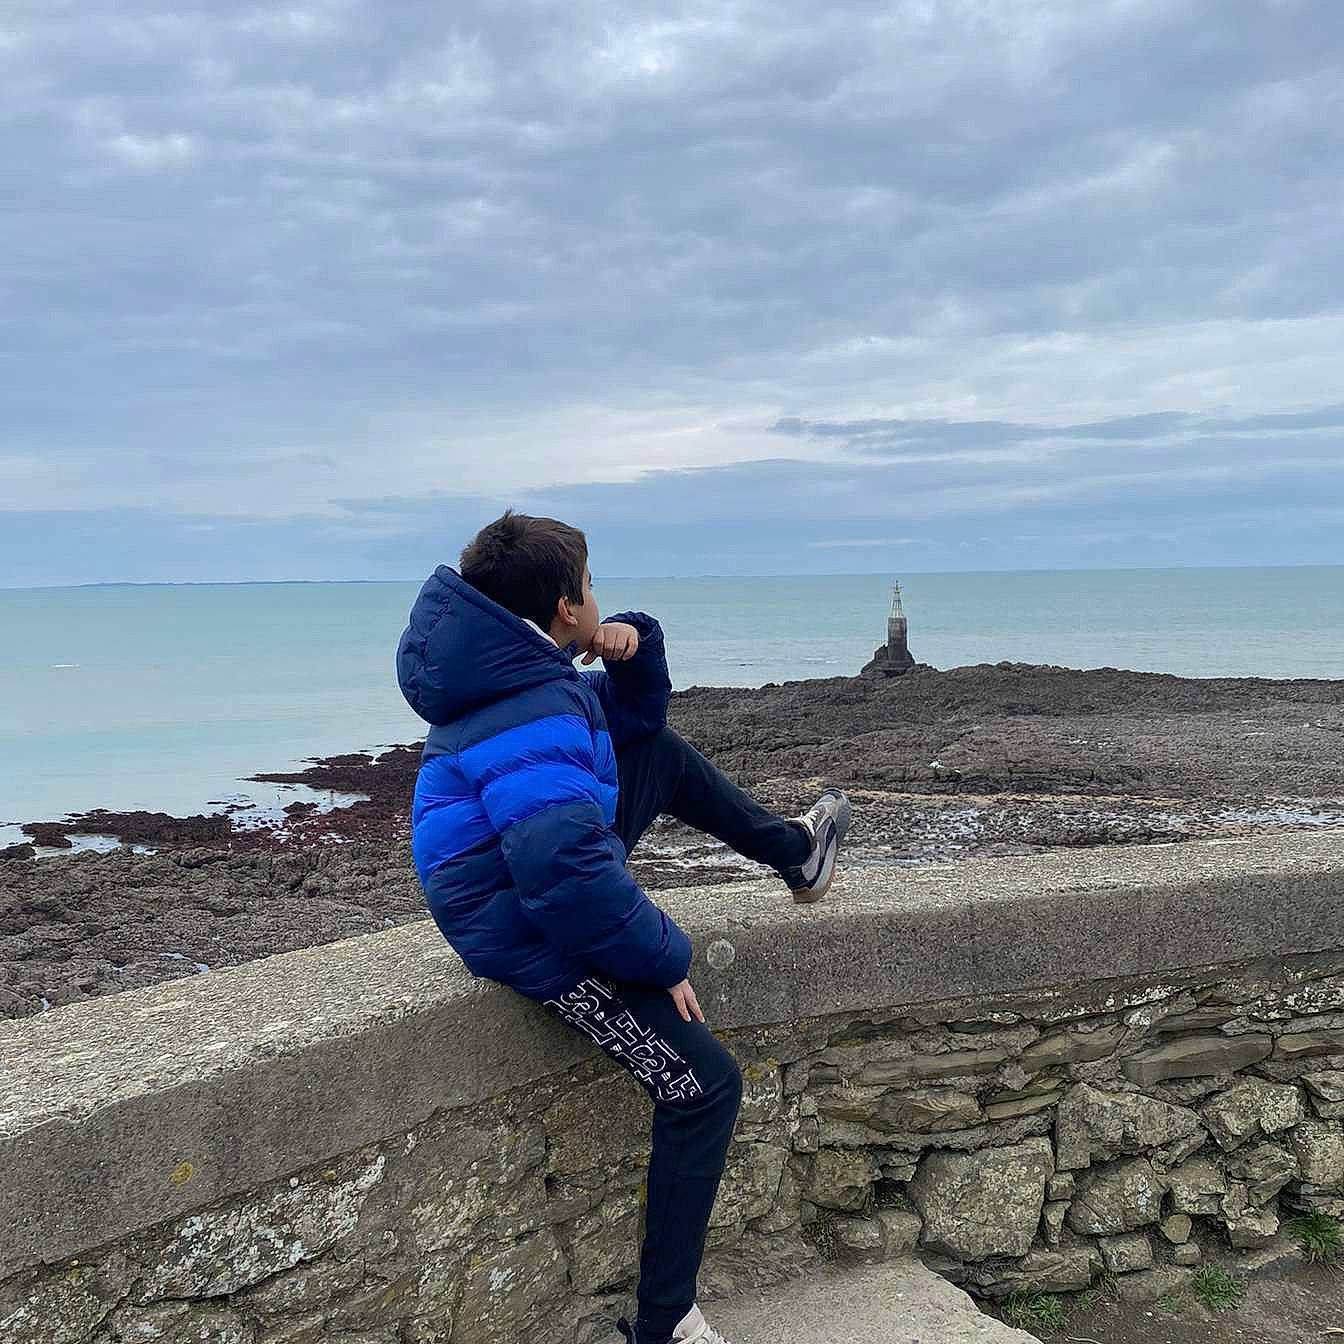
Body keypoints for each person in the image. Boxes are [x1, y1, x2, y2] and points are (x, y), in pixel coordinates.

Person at [395, 510, 851, 1344]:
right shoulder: (528, 707)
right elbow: (561, 879)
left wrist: (634, 642)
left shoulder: (516, 678)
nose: (600, 597)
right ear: (566, 606)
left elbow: (635, 730)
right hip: (522, 925)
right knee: (703, 1085)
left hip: (527, 886)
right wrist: (660, 955)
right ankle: (664, 1326)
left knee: (662, 757)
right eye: (593, 585)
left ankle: (797, 856)